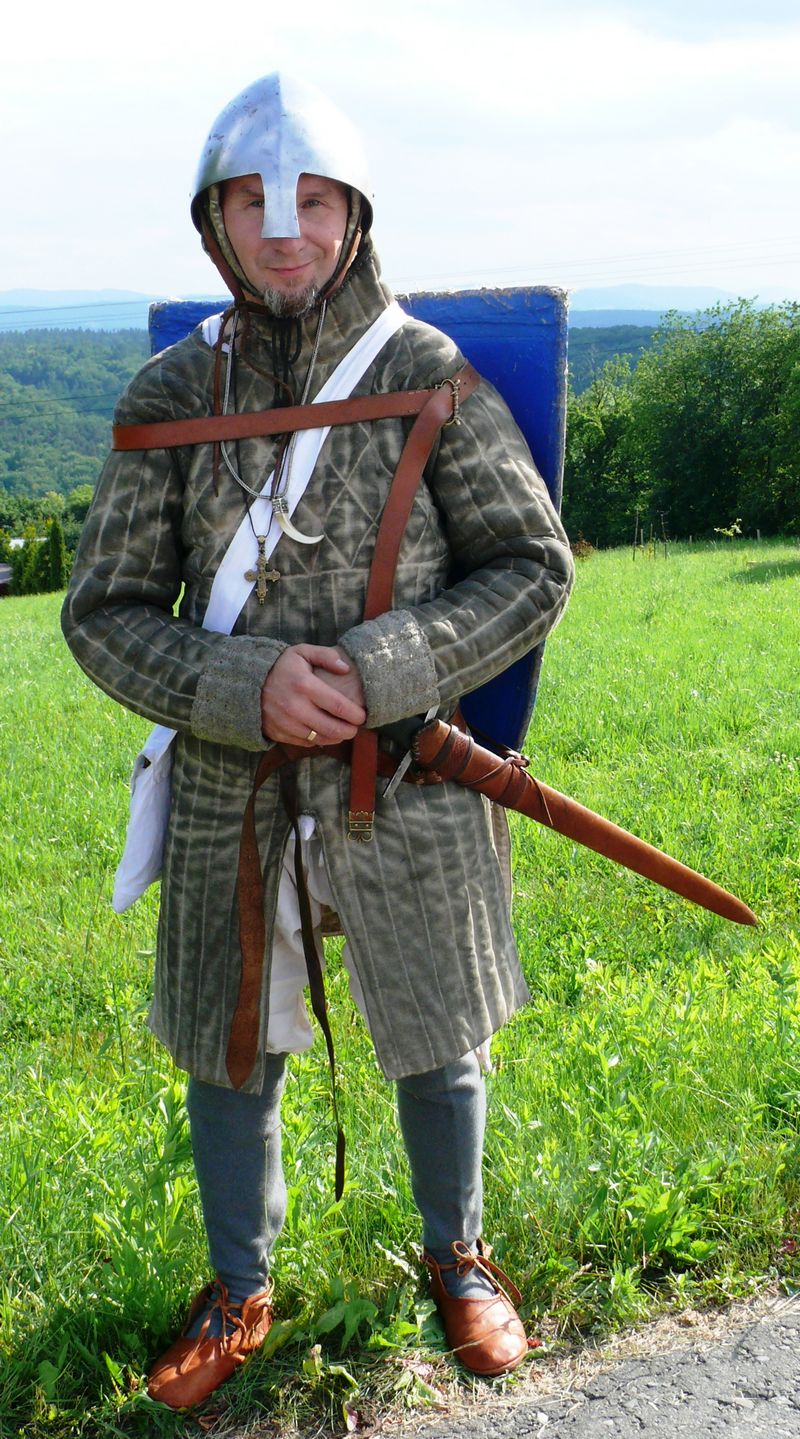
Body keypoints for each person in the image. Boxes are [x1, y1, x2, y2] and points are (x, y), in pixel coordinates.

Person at [62, 72, 574, 1410]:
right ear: (213, 222)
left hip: (405, 770)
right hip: (230, 778)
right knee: (232, 1041)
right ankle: (240, 1287)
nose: (282, 228)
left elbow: (532, 567)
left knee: (439, 1026)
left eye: (311, 200)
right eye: (250, 200)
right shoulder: (174, 390)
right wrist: (243, 685)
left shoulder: (424, 374)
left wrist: (382, 667)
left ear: (355, 213)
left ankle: (459, 1257)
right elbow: (103, 613)